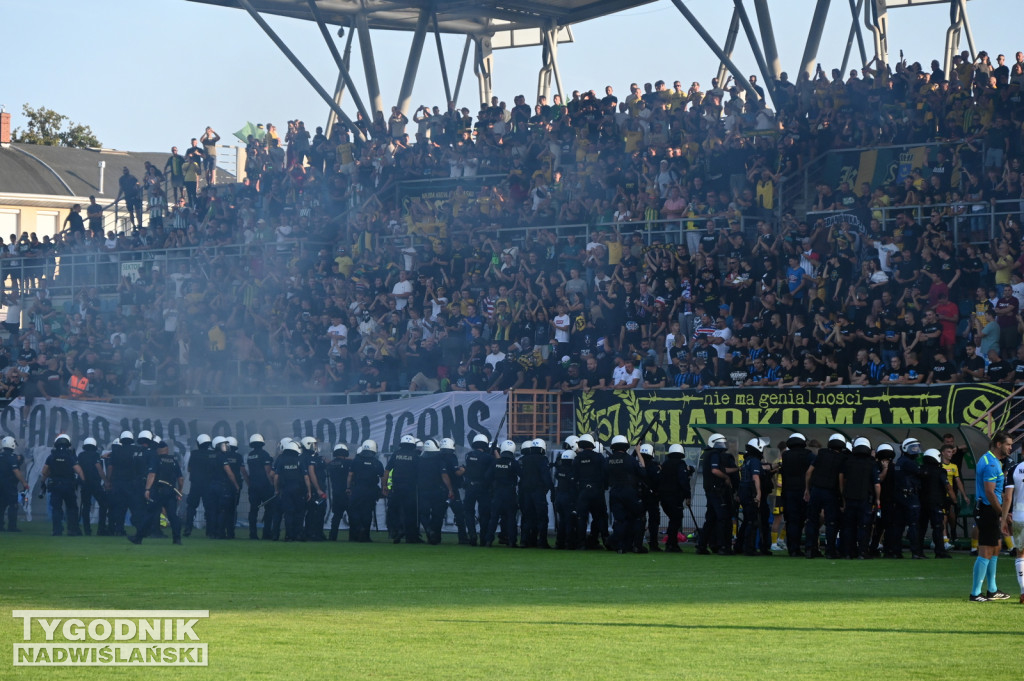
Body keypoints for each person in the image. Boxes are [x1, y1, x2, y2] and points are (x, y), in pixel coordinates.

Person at [970, 431, 1012, 601]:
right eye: (1008, 444)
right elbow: (989, 492)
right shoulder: (991, 464)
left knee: (996, 547)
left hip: (989, 510)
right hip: (987, 510)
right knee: (986, 550)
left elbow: (995, 491)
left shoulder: (992, 461)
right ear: (998, 444)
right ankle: (975, 593)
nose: (1010, 447)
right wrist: (1001, 512)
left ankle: (992, 590)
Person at [128, 440, 183, 545]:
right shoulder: (174, 461)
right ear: (167, 450)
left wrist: (147, 489)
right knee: (172, 516)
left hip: (158, 491)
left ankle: (138, 538)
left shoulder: (156, 459)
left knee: (149, 514)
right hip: (171, 492)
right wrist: (179, 490)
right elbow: (181, 478)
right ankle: (177, 539)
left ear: (159, 450)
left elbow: (151, 475)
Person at [804, 433, 846, 559]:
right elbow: (840, 480)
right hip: (831, 493)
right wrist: (843, 498)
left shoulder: (821, 454)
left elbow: (808, 472)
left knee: (812, 521)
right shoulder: (842, 458)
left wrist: (807, 489)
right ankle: (830, 551)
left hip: (816, 490)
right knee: (831, 523)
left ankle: (810, 549)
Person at [839, 437, 880, 559]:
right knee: (864, 526)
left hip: (850, 498)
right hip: (865, 499)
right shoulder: (872, 463)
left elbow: (843, 480)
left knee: (849, 526)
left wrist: (843, 496)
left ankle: (848, 552)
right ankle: (862, 552)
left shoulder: (848, 461)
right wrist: (878, 499)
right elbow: (877, 484)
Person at [606, 434, 647, 554]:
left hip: (614, 492)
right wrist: (638, 452)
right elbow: (643, 471)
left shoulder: (608, 460)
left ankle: (619, 546)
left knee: (619, 520)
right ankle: (636, 545)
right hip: (629, 492)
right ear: (626, 446)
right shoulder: (630, 459)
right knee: (638, 517)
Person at [38, 434, 84, 536]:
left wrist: (42, 482)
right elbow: (78, 470)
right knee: (72, 508)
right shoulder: (70, 457)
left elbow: (45, 471)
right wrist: (83, 481)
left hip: (55, 486)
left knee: (56, 509)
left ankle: (57, 531)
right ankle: (72, 530)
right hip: (69, 486)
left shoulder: (51, 457)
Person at [696, 433, 732, 555]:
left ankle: (701, 545)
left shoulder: (707, 454)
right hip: (716, 491)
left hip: (709, 489)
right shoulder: (715, 454)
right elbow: (715, 470)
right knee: (722, 517)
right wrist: (726, 478)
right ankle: (722, 546)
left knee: (710, 519)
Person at [890, 437, 924, 559]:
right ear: (905, 448)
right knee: (914, 525)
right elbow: (921, 473)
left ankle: (896, 552)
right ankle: (916, 552)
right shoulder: (909, 462)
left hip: (900, 497)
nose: (916, 450)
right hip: (910, 497)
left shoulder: (900, 461)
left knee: (898, 526)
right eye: (913, 448)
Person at [573, 434, 609, 550]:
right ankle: (604, 541)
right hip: (597, 491)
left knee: (581, 518)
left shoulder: (578, 458)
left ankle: (581, 543)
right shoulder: (598, 457)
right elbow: (605, 473)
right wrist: (604, 486)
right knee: (600, 517)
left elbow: (575, 475)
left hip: (583, 491)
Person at [780, 433, 813, 557]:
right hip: (803, 492)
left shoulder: (786, 455)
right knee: (804, 520)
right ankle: (806, 547)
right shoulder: (808, 455)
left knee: (791, 521)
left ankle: (792, 548)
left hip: (788, 491)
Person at [384, 434, 422, 543]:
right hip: (411, 489)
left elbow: (387, 471)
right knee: (410, 512)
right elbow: (420, 473)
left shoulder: (396, 454)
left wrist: (384, 485)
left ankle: (396, 532)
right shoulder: (415, 456)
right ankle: (411, 537)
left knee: (395, 511)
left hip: (396, 488)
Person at [737, 437, 771, 556]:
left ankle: (740, 546)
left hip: (744, 492)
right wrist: (759, 493)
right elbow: (755, 477)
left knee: (747, 520)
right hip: (751, 493)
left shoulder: (747, 461)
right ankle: (749, 548)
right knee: (752, 521)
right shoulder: (755, 461)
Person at [483, 440, 520, 548]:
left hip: (497, 493)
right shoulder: (514, 463)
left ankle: (488, 541)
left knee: (493, 518)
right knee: (511, 518)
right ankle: (512, 541)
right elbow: (522, 475)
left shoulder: (495, 462)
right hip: (510, 494)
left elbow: (487, 477)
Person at [415, 439, 453, 544]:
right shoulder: (440, 460)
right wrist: (450, 489)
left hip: (423, 490)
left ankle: (428, 530)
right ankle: (436, 537)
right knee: (437, 515)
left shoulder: (419, 460)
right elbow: (444, 475)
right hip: (437, 491)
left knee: (424, 514)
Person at [918, 448, 953, 559]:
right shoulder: (940, 471)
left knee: (921, 528)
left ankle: (918, 551)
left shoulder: (920, 470)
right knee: (938, 527)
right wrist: (954, 500)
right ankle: (940, 551)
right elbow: (947, 486)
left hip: (922, 503)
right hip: (935, 502)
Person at [658, 443, 693, 553]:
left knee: (673, 520)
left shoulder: (665, 464)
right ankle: (671, 544)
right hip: (675, 497)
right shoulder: (681, 464)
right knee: (676, 520)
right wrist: (688, 495)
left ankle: (671, 543)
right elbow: (683, 481)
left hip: (664, 497)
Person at [346, 439, 383, 542]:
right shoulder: (377, 462)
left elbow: (350, 475)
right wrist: (384, 488)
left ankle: (358, 528)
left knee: (354, 510)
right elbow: (383, 476)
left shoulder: (356, 461)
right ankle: (365, 535)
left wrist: (348, 487)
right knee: (367, 512)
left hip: (357, 489)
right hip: (371, 490)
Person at [274, 439, 310, 542]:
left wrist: (276, 490)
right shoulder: (300, 461)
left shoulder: (281, 460)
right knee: (299, 513)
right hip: (299, 490)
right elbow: (306, 477)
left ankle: (288, 536)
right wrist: (309, 491)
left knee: (288, 513)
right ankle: (298, 534)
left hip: (285, 490)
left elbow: (276, 477)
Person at [518, 438, 552, 549]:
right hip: (538, 491)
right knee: (542, 517)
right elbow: (545, 476)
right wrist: (550, 488)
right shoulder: (543, 459)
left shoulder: (523, 459)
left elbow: (520, 475)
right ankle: (542, 541)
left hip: (525, 491)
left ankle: (525, 540)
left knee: (527, 517)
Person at [462, 433, 494, 546]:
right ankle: (483, 538)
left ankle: (472, 535)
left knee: (468, 511)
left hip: (470, 487)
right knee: (484, 514)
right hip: (484, 488)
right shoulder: (489, 457)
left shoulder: (468, 455)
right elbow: (490, 474)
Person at [1002, 451, 1024, 603]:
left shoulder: (1014, 469)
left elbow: (1008, 496)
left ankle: (1023, 591)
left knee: (1020, 554)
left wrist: (1003, 519)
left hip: (1019, 517)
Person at [105, 431, 136, 537]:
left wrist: (108, 480)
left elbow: (110, 467)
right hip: (131, 483)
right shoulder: (135, 450)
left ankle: (118, 529)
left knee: (119, 507)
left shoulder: (116, 451)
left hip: (117, 483)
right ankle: (141, 529)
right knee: (134, 507)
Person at [439, 438, 469, 544]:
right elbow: (457, 473)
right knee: (460, 514)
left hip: (438, 490)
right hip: (452, 491)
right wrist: (464, 469)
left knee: (438, 515)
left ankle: (435, 538)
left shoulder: (436, 457)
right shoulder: (451, 457)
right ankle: (463, 538)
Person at [245, 433, 276, 540]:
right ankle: (266, 534)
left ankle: (252, 534)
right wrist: (273, 485)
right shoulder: (265, 455)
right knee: (269, 510)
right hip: (265, 486)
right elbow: (268, 472)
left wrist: (250, 484)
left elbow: (249, 472)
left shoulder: (249, 455)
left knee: (253, 510)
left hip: (253, 486)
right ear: (262, 443)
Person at [183, 434, 213, 537]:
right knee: (209, 508)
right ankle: (209, 531)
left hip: (195, 484)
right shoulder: (212, 454)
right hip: (208, 485)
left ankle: (188, 529)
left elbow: (189, 469)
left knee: (191, 507)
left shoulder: (194, 453)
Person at [77, 437, 108, 536]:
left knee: (86, 506)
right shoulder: (95, 455)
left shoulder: (81, 455)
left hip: (84, 484)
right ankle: (101, 529)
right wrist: (106, 481)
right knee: (103, 504)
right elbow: (99, 469)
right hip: (95, 484)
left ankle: (87, 530)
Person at [300, 436, 327, 541]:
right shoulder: (309, 458)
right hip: (315, 490)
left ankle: (312, 533)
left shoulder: (308, 456)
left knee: (313, 512)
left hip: (311, 489)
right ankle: (314, 534)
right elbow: (311, 474)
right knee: (316, 511)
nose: (315, 446)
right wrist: (318, 489)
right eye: (314, 444)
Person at [0, 436, 29, 532]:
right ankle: (12, 526)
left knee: (1, 505)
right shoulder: (12, 458)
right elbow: (16, 471)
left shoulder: (1, 456)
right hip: (10, 485)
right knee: (13, 505)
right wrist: (24, 483)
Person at [553, 439, 578, 550]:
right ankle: (569, 542)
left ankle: (559, 542)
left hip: (559, 497)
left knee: (561, 521)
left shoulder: (559, 471)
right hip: (568, 498)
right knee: (569, 521)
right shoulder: (572, 472)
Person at [326, 442, 350, 541]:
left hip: (336, 493)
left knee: (336, 516)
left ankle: (332, 536)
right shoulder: (348, 463)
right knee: (352, 515)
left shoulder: (331, 464)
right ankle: (353, 536)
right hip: (347, 492)